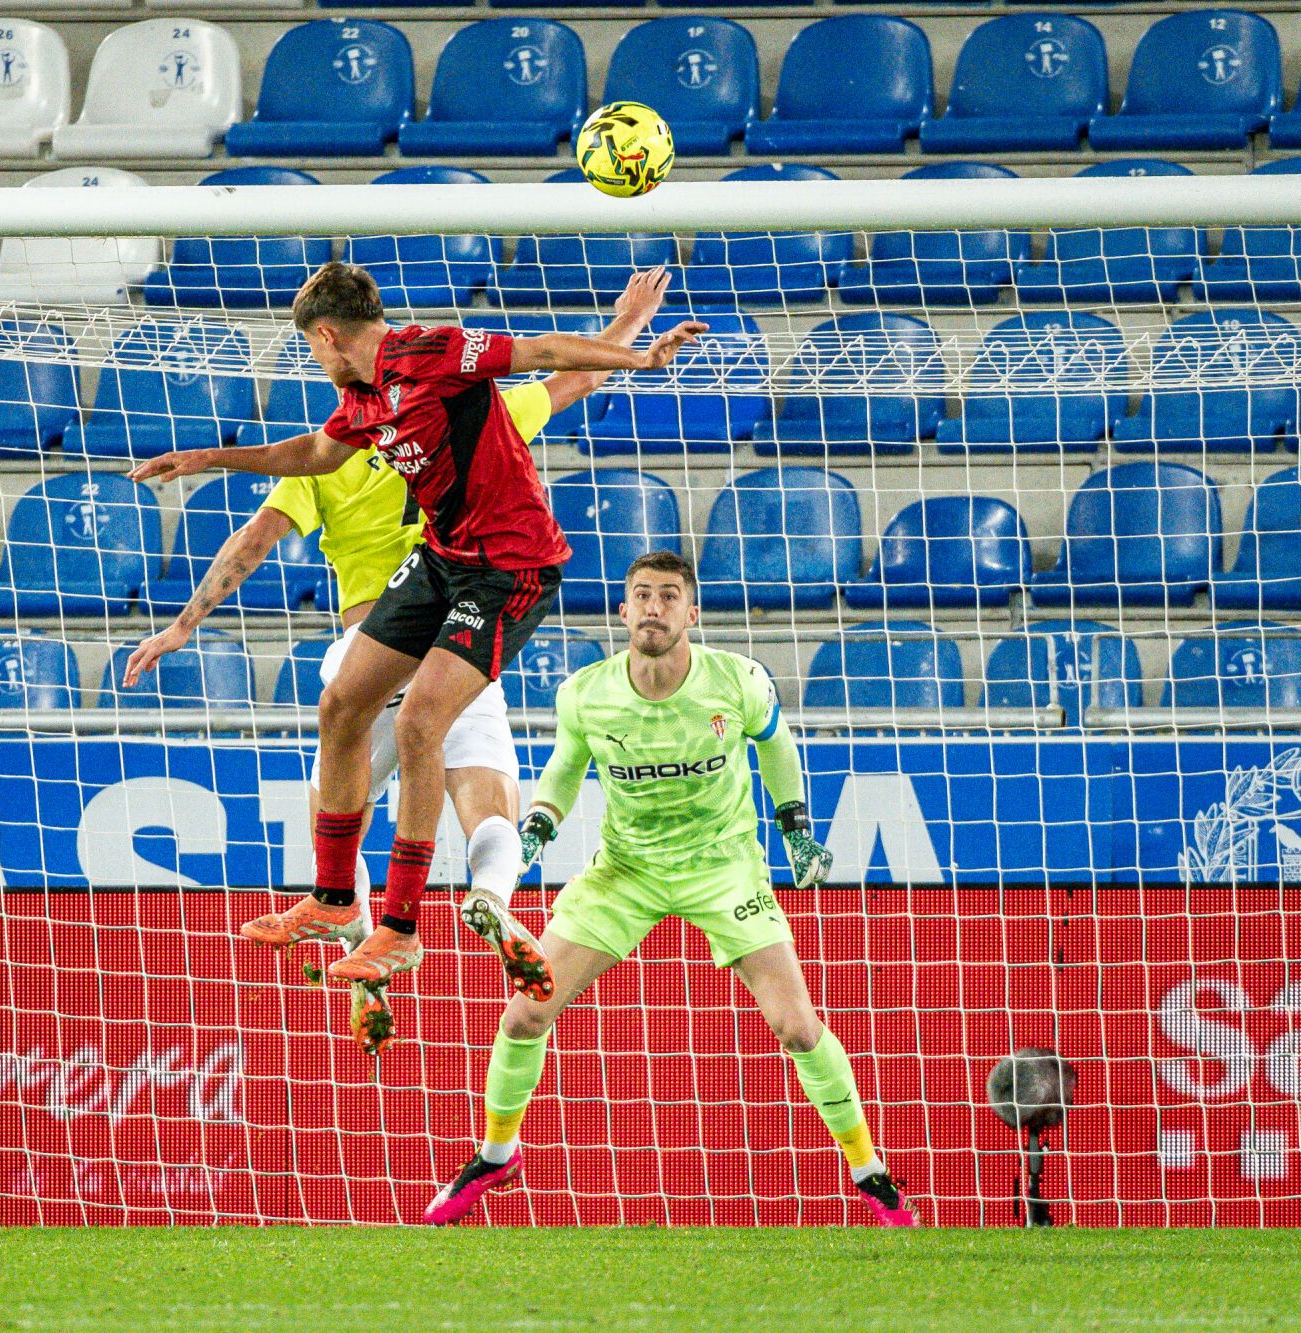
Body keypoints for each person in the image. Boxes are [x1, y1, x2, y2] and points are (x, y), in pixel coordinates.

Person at [125, 271, 685, 1048]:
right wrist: (207, 458)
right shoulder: (364, 398)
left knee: (422, 722)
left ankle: (397, 927)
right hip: (442, 559)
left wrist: (639, 357)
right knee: (341, 706)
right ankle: (336, 898)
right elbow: (317, 450)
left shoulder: (435, 349)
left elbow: (544, 350)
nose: (314, 362)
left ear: (326, 336)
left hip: (509, 567)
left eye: (310, 349)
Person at [423, 551, 919, 1228]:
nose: (654, 606)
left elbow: (776, 747)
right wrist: (537, 827)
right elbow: (566, 770)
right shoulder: (586, 693)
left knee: (798, 1027)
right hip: (626, 869)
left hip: (723, 866)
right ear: (624, 611)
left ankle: (871, 1173)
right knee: (523, 1016)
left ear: (690, 612)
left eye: (668, 596)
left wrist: (796, 828)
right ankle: (495, 1155)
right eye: (642, 595)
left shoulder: (737, 681)